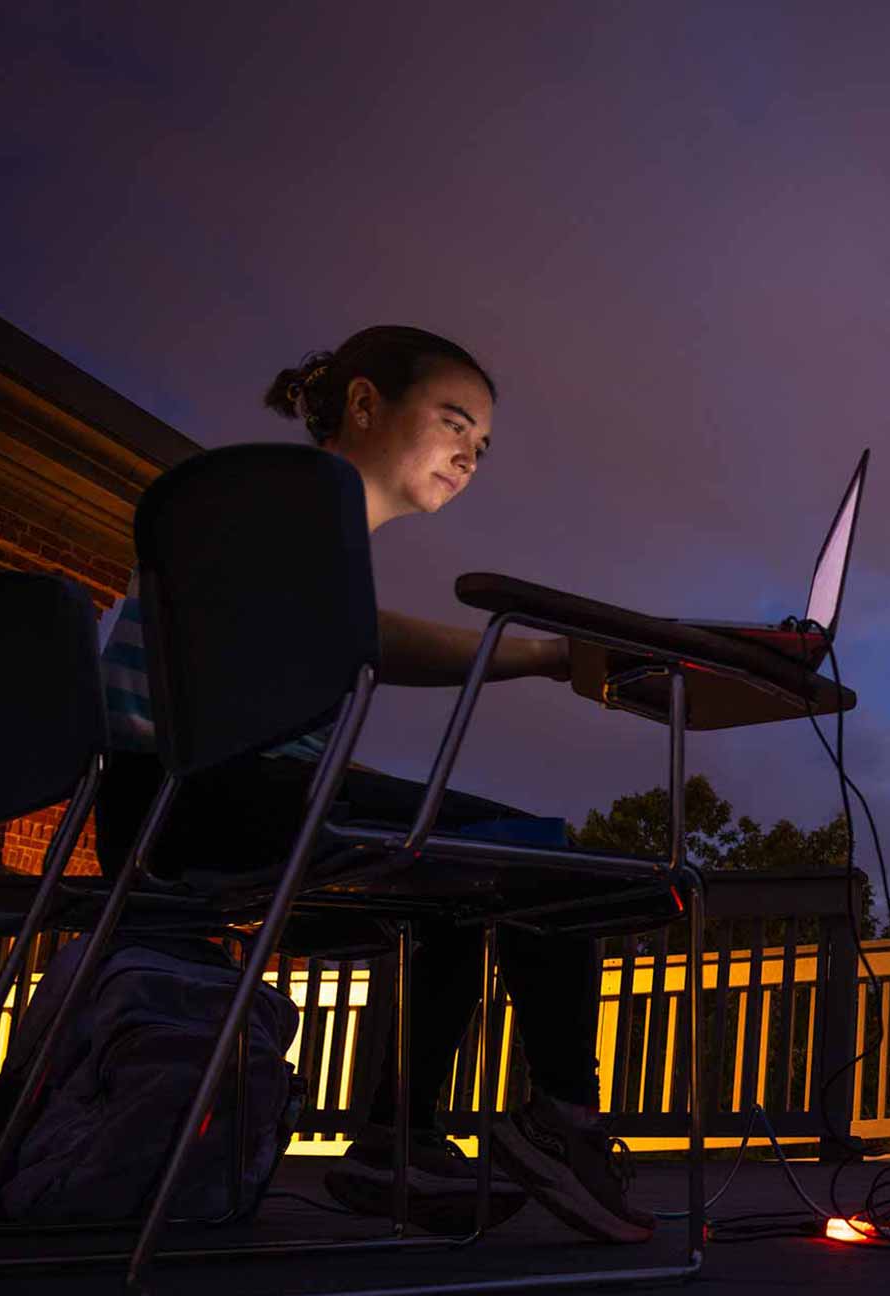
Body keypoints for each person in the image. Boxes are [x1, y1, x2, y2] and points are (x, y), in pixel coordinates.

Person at [90, 325, 655, 1243]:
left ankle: (399, 1137)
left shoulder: (291, 524)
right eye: (454, 422)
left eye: (483, 445)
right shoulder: (286, 501)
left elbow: (327, 633)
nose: (469, 456)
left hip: (179, 805)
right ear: (363, 404)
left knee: (469, 874)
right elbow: (358, 637)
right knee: (543, 858)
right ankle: (561, 1117)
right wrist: (545, 655)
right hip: (205, 802)